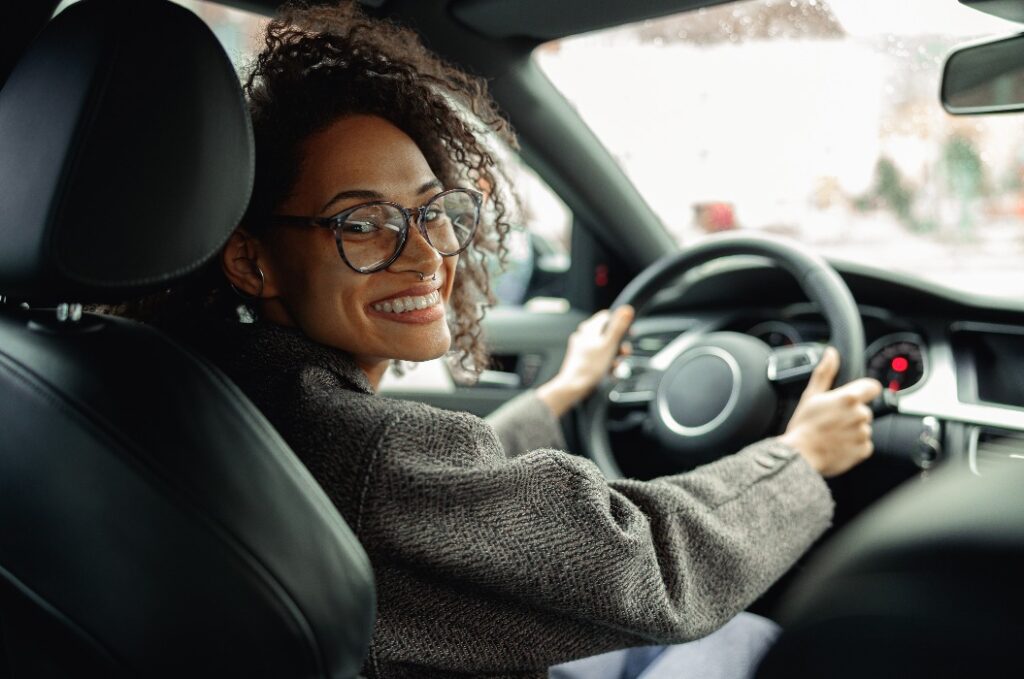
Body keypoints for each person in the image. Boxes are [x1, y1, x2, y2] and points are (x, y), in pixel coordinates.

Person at [128, 3, 882, 677]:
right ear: (252, 259)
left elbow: (441, 502)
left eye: (433, 211)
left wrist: (555, 396)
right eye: (363, 223)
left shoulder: (200, 385)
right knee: (759, 645)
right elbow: (651, 566)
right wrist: (798, 458)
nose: (426, 255)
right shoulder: (366, 453)